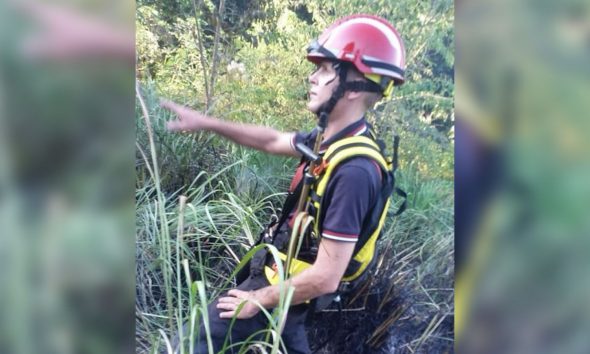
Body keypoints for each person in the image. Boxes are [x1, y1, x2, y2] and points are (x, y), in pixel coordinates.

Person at [162, 14, 406, 354]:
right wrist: (207, 123)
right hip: (283, 282)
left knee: (186, 345)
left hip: (287, 295)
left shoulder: (355, 171)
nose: (312, 77)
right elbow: (271, 140)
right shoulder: (328, 140)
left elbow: (326, 277)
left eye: (324, 69)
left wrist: (256, 300)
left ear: (353, 84)